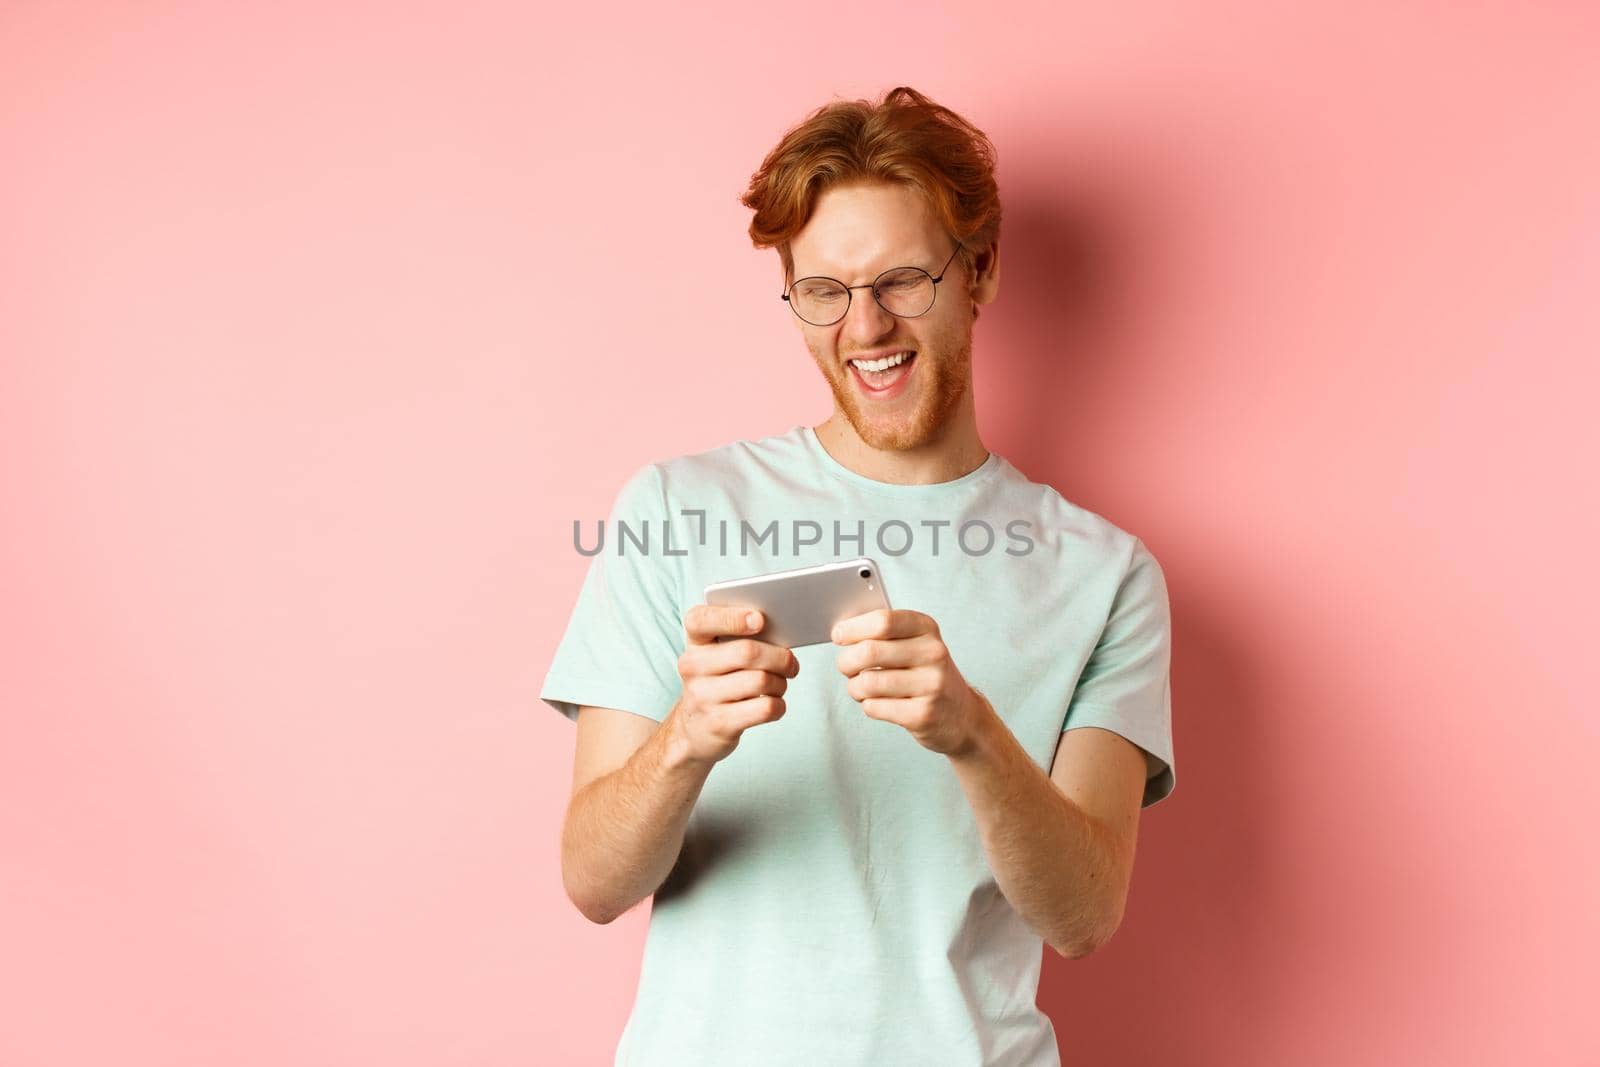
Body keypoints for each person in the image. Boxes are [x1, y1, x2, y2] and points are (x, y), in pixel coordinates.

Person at [540, 85, 1175, 1066]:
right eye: (823, 291)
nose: (864, 327)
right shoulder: (675, 508)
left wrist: (971, 734)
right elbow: (593, 879)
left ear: (981, 271)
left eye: (901, 281)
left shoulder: (1105, 573)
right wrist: (687, 740)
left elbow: (1083, 915)